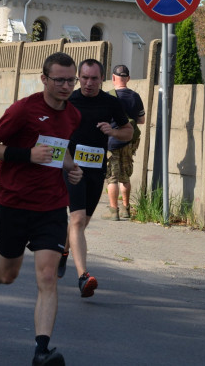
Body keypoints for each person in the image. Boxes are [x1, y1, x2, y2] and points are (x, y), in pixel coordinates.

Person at [0, 52, 84, 366]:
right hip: (14, 204)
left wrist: (71, 168)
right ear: (44, 79)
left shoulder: (73, 115)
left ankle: (41, 351)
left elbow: (60, 148)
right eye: (59, 79)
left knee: (47, 275)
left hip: (52, 206)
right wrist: (27, 155)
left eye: (70, 80)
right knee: (8, 274)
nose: (65, 85)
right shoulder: (23, 110)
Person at [59, 58, 132, 298]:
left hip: (96, 169)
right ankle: (83, 276)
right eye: (85, 78)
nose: (89, 83)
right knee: (77, 218)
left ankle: (64, 250)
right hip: (72, 167)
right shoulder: (68, 100)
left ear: (102, 79)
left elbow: (128, 131)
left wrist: (113, 132)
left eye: (94, 78)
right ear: (78, 78)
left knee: (82, 221)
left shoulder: (111, 103)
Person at [108, 64, 145, 219]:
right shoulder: (135, 96)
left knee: (112, 178)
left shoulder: (108, 96)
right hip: (129, 142)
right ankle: (126, 208)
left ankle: (113, 211)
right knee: (126, 177)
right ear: (128, 79)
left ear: (113, 78)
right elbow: (141, 120)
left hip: (111, 141)